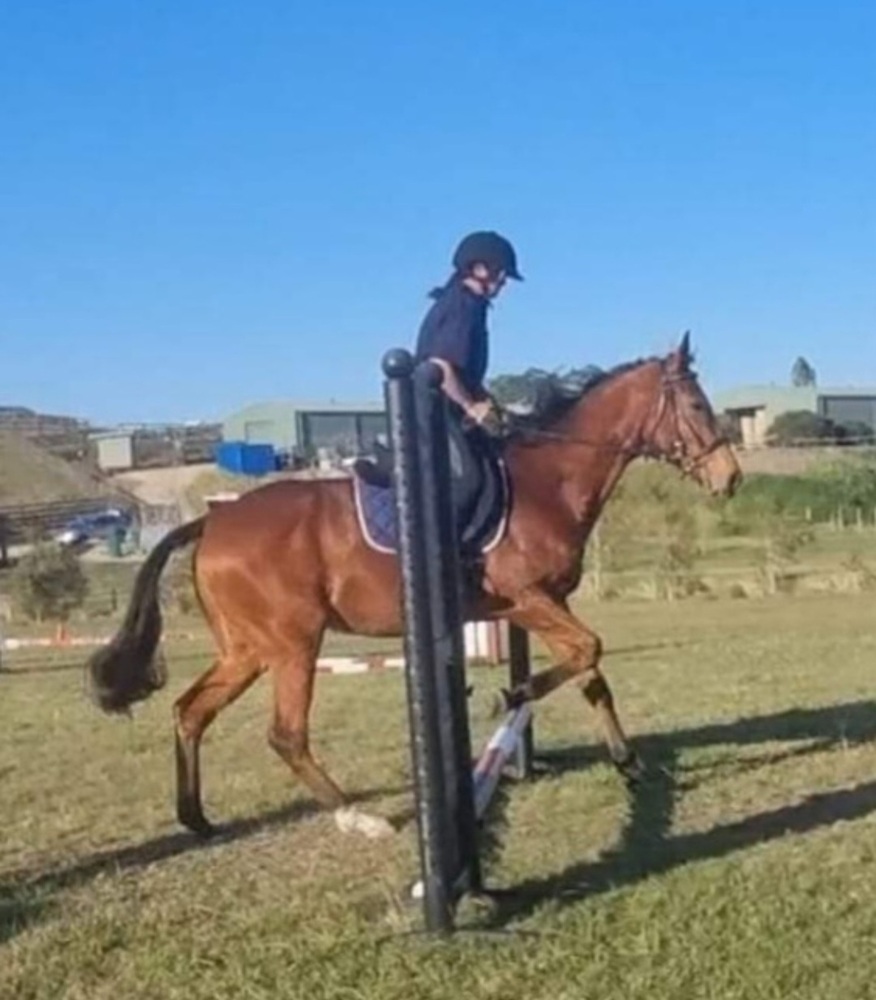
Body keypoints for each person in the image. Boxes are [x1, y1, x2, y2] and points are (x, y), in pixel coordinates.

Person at [414, 230, 523, 567]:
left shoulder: (471, 305)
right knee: (468, 479)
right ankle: (439, 562)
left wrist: (491, 404)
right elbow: (442, 367)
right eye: (499, 272)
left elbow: (467, 375)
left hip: (446, 407)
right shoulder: (462, 305)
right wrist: (471, 406)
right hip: (432, 409)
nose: (503, 280)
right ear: (476, 268)